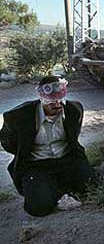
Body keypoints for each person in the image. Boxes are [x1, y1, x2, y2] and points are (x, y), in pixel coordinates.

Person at [0, 76, 97, 217]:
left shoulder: (74, 110)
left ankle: (59, 187)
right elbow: (8, 142)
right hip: (36, 166)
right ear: (41, 98)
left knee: (93, 186)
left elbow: (73, 138)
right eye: (51, 102)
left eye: (59, 101)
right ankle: (53, 191)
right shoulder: (18, 116)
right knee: (40, 207)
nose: (57, 105)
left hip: (67, 160)